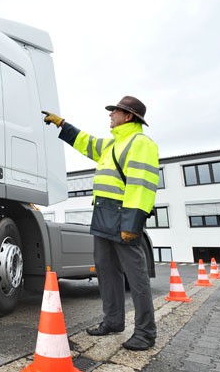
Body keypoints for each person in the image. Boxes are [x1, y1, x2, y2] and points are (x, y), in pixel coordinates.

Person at [43, 95, 159, 351]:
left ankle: (145, 333)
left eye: (115, 112)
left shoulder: (141, 143)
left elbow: (142, 187)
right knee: (106, 273)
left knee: (136, 278)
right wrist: (63, 124)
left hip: (124, 218)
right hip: (103, 217)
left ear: (128, 116)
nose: (110, 115)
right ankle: (113, 321)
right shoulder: (113, 145)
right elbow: (87, 143)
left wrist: (132, 224)